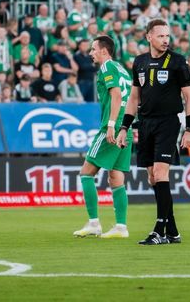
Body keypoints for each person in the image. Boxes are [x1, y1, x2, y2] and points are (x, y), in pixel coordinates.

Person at [116, 18, 190, 245]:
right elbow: (134, 98)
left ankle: (159, 230)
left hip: (168, 123)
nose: (165, 40)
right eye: (160, 36)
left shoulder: (178, 62)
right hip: (145, 123)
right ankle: (172, 230)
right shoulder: (139, 62)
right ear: (149, 37)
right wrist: (124, 127)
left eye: (167, 36)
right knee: (152, 177)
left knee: (161, 174)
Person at [73, 35, 133, 239]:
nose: (90, 53)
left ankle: (94, 224)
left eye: (93, 49)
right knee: (116, 176)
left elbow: (116, 95)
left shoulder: (107, 67)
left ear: (104, 51)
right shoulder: (122, 69)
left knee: (86, 173)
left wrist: (111, 125)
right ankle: (121, 227)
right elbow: (131, 97)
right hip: (126, 127)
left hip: (113, 126)